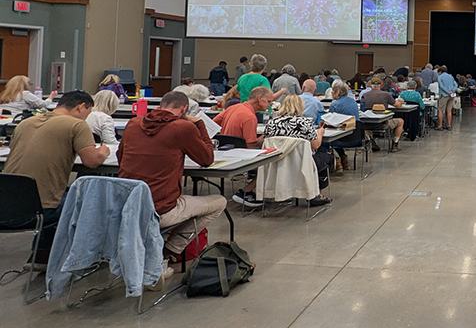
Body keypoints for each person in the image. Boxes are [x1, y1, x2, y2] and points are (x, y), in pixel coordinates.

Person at [1, 91, 110, 265]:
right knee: (88, 199)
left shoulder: (25, 123)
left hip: (5, 208)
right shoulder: (76, 125)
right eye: (87, 114)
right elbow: (92, 161)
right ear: (81, 107)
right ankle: (80, 258)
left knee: (57, 194)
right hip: (39, 212)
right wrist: (104, 151)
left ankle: (41, 255)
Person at [116, 91, 224, 262]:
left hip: (126, 204)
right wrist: (200, 125)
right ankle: (172, 249)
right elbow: (207, 159)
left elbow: (120, 157)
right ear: (184, 109)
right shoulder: (183, 127)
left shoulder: (134, 123)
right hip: (160, 208)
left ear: (160, 105)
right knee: (219, 202)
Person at [261, 94, 331, 206]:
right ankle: (315, 195)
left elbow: (264, 141)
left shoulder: (271, 123)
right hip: (301, 164)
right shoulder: (304, 123)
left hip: (275, 164)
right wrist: (320, 133)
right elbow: (315, 145)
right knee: (324, 155)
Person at [214, 86, 273, 207]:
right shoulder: (250, 117)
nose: (269, 105)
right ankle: (247, 191)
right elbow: (250, 146)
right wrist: (263, 139)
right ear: (260, 99)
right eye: (268, 101)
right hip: (240, 157)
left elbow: (213, 123)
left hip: (224, 152)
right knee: (273, 161)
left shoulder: (233, 108)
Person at [361, 77, 406, 151]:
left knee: (364, 126)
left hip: (367, 124)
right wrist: (401, 102)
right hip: (383, 123)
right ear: (381, 85)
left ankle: (370, 141)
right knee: (400, 121)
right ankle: (395, 144)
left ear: (370, 85)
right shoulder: (386, 94)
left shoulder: (365, 95)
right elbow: (397, 105)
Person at [327, 80, 360, 170]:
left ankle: (338, 160)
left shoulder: (335, 104)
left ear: (337, 92)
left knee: (326, 139)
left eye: (333, 91)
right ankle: (343, 158)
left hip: (342, 137)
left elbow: (329, 120)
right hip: (356, 136)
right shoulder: (353, 102)